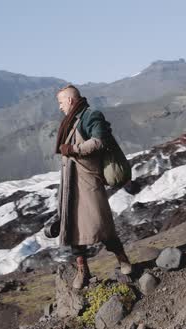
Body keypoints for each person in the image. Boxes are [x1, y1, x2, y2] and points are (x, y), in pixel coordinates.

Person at [55, 84, 132, 289]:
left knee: (102, 222)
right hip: (71, 183)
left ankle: (122, 259)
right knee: (72, 227)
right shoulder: (70, 119)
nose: (60, 107)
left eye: (61, 102)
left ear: (70, 101)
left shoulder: (91, 116)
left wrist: (73, 149)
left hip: (88, 180)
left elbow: (99, 141)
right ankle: (83, 270)